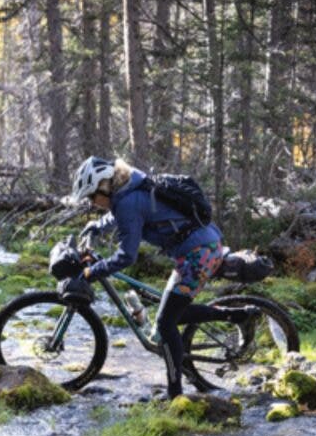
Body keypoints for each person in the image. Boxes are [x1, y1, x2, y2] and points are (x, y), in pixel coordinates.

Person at [68, 156, 259, 399]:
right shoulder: (130, 188)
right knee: (173, 313)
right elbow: (125, 214)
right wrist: (98, 225)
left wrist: (91, 272)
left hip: (197, 255)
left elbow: (127, 256)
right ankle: (241, 315)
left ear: (105, 186)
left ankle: (175, 395)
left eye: (92, 196)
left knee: (165, 323)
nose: (92, 202)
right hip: (201, 247)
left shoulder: (127, 200)